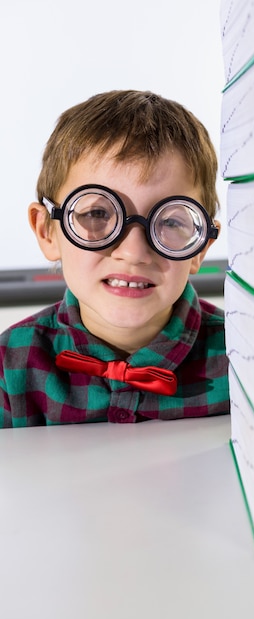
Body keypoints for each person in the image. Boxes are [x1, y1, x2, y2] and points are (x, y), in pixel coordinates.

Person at [0, 90, 230, 427]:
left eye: (169, 221)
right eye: (96, 214)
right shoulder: (8, 367)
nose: (134, 253)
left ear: (200, 247)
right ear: (47, 232)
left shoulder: (246, 358)